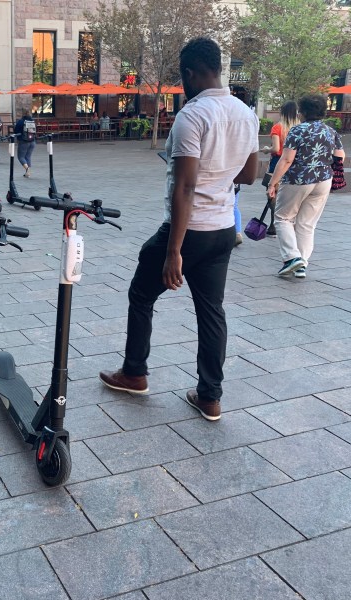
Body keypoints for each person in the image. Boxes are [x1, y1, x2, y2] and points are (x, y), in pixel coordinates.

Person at [98, 37, 259, 422]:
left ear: (190, 73)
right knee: (212, 312)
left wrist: (174, 252)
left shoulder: (193, 115)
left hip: (190, 230)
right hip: (223, 229)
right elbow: (250, 175)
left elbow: (185, 188)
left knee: (141, 293)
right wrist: (220, 175)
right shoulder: (246, 114)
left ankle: (134, 373)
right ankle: (210, 397)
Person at [267, 94, 344, 279]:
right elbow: (341, 156)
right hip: (323, 180)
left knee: (283, 218)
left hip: (298, 179)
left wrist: (273, 182)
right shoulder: (330, 131)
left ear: (302, 111)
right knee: (307, 224)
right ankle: (301, 265)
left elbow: (287, 159)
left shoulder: (297, 130)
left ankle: (292, 258)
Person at [260, 101, 299, 237]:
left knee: (273, 194)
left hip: (278, 162)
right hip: (295, 164)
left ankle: (274, 225)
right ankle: (290, 223)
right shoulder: (300, 128)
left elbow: (276, 148)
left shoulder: (278, 128)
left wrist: (266, 150)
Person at [14, 110, 37, 177]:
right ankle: (28, 173)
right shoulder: (32, 121)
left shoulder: (21, 121)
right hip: (32, 141)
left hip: (23, 141)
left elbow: (16, 131)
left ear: (22, 114)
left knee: (21, 157)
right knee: (28, 157)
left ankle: (27, 169)